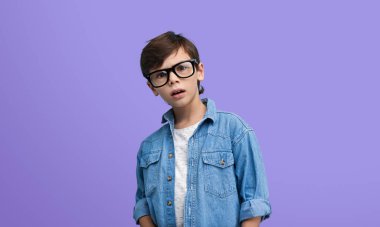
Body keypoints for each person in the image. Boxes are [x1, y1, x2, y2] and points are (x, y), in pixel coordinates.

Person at [133, 31, 272, 227]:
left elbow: (254, 202)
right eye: (161, 75)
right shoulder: (149, 147)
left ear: (199, 71)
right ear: (152, 87)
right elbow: (143, 204)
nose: (173, 79)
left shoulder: (235, 131)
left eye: (181, 68)